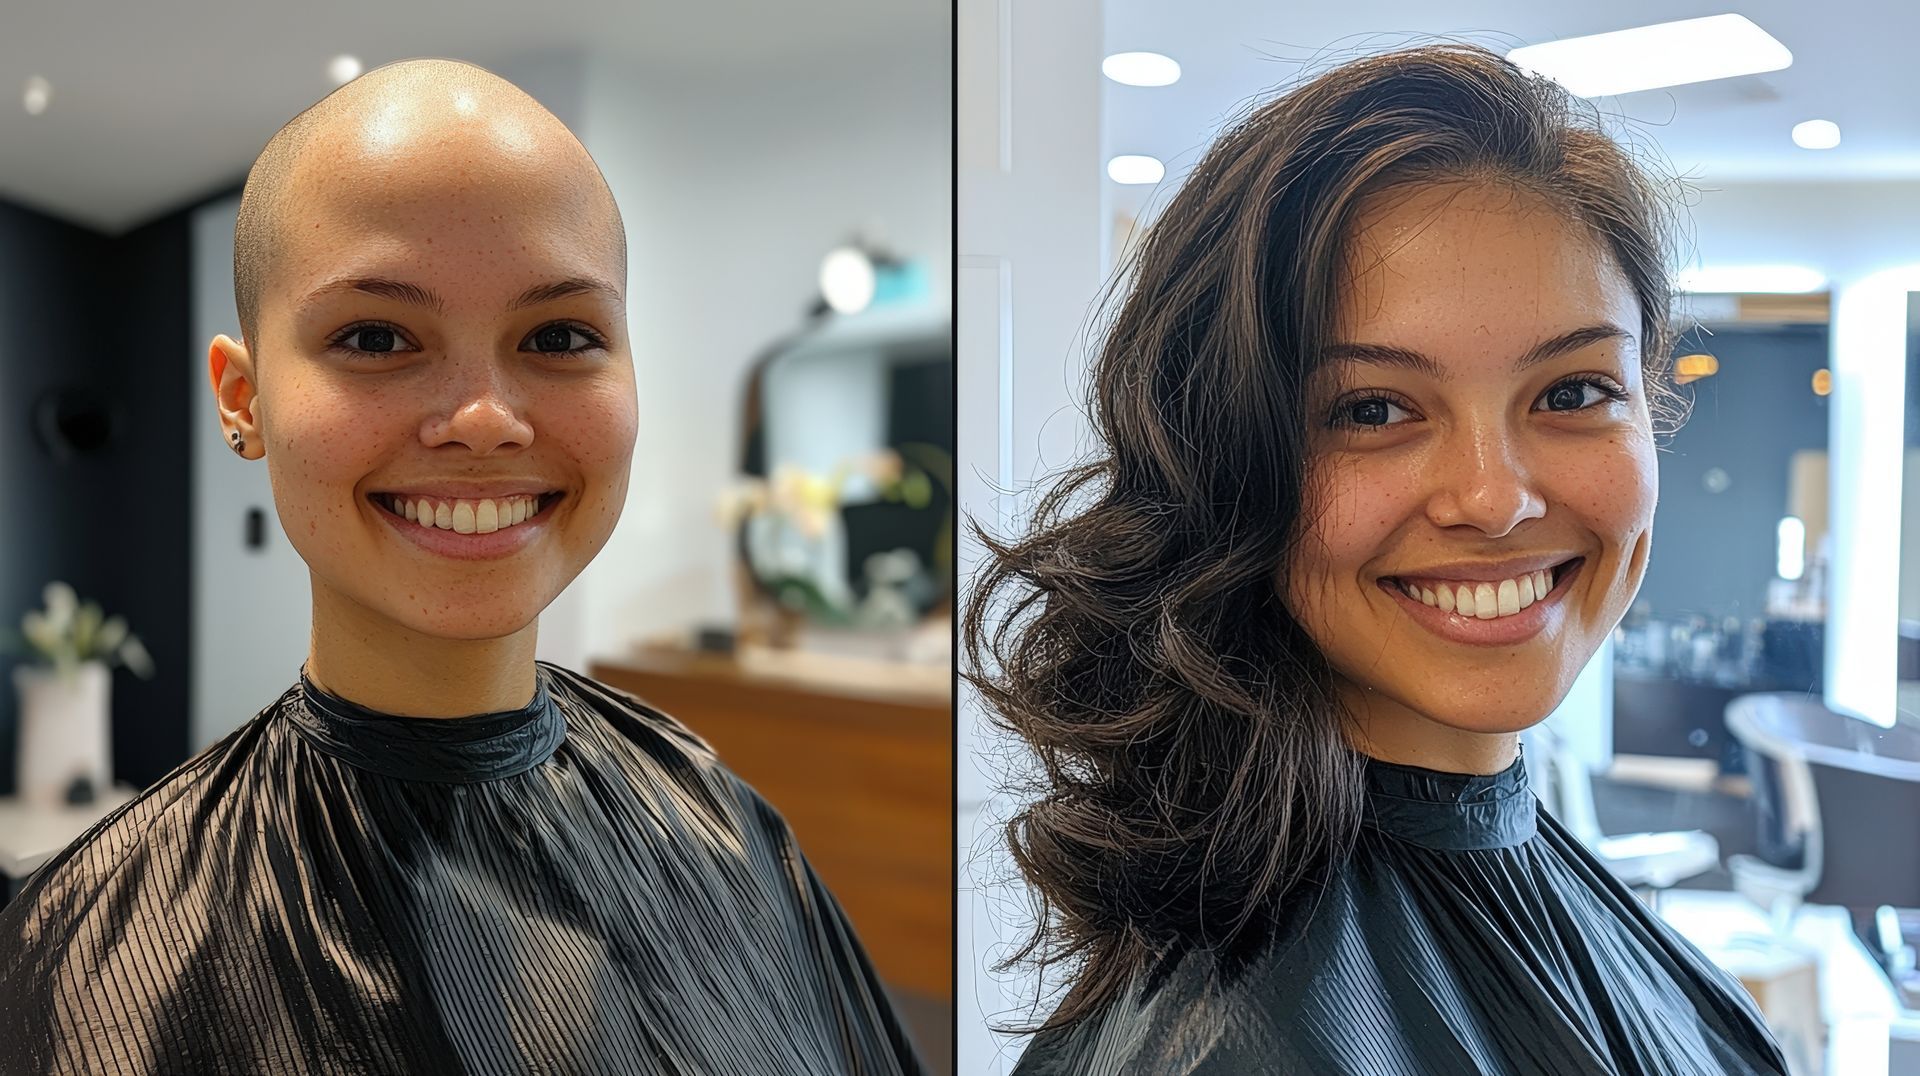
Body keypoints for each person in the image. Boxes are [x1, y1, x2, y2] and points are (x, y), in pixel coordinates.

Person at [0, 58, 923, 1076]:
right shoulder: (88, 954)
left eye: (560, 335)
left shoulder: (722, 820)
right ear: (242, 399)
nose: (484, 419)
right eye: (376, 336)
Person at [963, 44, 1790, 1075]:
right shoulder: (1241, 1045)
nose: (1494, 498)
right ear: (1222, 462)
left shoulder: (1522, 848)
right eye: (1372, 410)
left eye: (1573, 392)